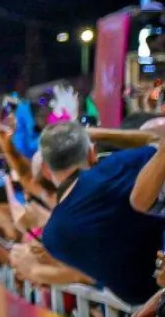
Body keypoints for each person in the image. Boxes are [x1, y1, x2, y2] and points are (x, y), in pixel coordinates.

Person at [35, 121, 165, 305]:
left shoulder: (52, 237)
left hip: (145, 307)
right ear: (92, 153)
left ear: (45, 170)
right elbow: (159, 141)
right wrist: (102, 133)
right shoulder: (120, 165)